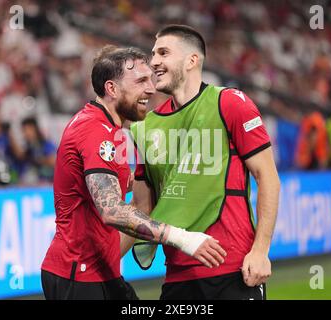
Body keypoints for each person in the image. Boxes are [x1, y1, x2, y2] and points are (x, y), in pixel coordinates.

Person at [40, 45, 226, 300]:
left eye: (150, 78)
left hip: (100, 272)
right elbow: (112, 210)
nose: (150, 88)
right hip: (77, 276)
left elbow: (124, 191)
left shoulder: (111, 130)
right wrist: (183, 239)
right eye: (140, 81)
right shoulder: (94, 132)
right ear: (112, 89)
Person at [130, 25, 280, 300]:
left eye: (163, 53)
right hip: (177, 275)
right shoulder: (146, 126)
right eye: (153, 54)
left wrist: (261, 251)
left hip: (233, 269)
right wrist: (97, 267)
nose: (154, 62)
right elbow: (142, 207)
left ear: (192, 60)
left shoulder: (231, 103)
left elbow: (267, 176)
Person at [20, 117, 56, 184]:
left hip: (49, 183)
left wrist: (39, 160)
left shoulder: (46, 143)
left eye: (29, 129)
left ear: (36, 129)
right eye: (24, 130)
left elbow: (54, 161)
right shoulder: (28, 147)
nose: (27, 133)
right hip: (34, 183)